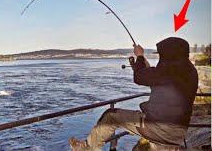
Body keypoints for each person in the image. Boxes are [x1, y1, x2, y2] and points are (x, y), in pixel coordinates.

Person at [69, 37, 198, 150]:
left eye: (161, 55)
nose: (160, 57)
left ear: (169, 54)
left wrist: (140, 56)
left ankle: (87, 148)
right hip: (179, 130)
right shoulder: (188, 71)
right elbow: (153, 77)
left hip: (160, 127)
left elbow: (140, 78)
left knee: (110, 115)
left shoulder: (170, 70)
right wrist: (141, 60)